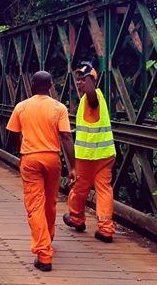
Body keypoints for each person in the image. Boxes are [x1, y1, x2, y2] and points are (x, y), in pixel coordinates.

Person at [6, 71, 77, 272]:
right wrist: (73, 166)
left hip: (30, 158)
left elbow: (14, 133)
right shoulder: (58, 108)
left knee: (35, 204)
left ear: (31, 84)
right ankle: (48, 236)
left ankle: (44, 253)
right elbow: (66, 137)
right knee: (50, 201)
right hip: (52, 158)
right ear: (51, 85)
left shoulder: (21, 107)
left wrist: (22, 152)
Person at [63, 62, 116, 243]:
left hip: (88, 157)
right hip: (105, 154)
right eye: (77, 80)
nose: (79, 83)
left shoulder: (93, 98)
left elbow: (92, 97)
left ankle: (76, 218)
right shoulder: (89, 99)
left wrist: (88, 76)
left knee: (80, 188)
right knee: (104, 190)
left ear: (92, 81)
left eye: (83, 80)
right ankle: (106, 228)